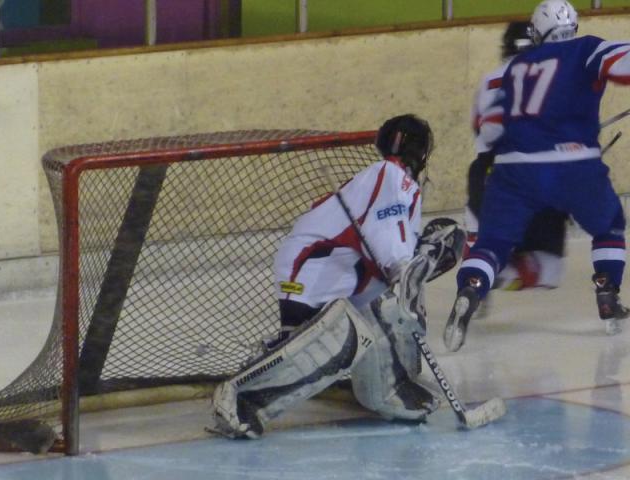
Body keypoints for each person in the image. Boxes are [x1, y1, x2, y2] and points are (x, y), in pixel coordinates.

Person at [210, 114, 465, 439]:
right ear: (422, 151)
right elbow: (386, 232)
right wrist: (402, 267)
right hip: (315, 272)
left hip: (340, 275)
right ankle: (242, 398)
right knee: (346, 336)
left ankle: (383, 383)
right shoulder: (390, 174)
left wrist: (405, 285)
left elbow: (391, 246)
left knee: (436, 249)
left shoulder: (392, 181)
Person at [445, 0, 630, 353]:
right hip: (574, 166)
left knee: (491, 245)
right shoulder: (585, 48)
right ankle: (608, 294)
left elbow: (492, 129)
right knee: (609, 227)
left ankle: (470, 288)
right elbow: (621, 60)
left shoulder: (517, 67)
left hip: (514, 171)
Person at [466, 21, 568, 294]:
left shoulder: (489, 80)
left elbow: (480, 129)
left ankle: (479, 255)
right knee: (548, 269)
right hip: (531, 177)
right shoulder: (544, 79)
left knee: (484, 227)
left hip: (485, 176)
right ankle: (508, 269)